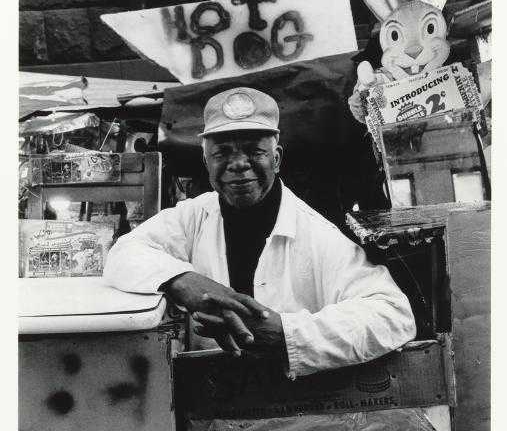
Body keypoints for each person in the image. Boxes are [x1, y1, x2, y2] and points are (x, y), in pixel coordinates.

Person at [103, 87, 416, 378]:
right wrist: (181, 280)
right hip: (211, 397)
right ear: (206, 160)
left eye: (254, 151)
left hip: (292, 406)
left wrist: (286, 333)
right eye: (222, 152)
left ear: (276, 159)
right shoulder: (193, 216)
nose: (239, 164)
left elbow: (393, 315)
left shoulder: (314, 233)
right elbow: (123, 253)